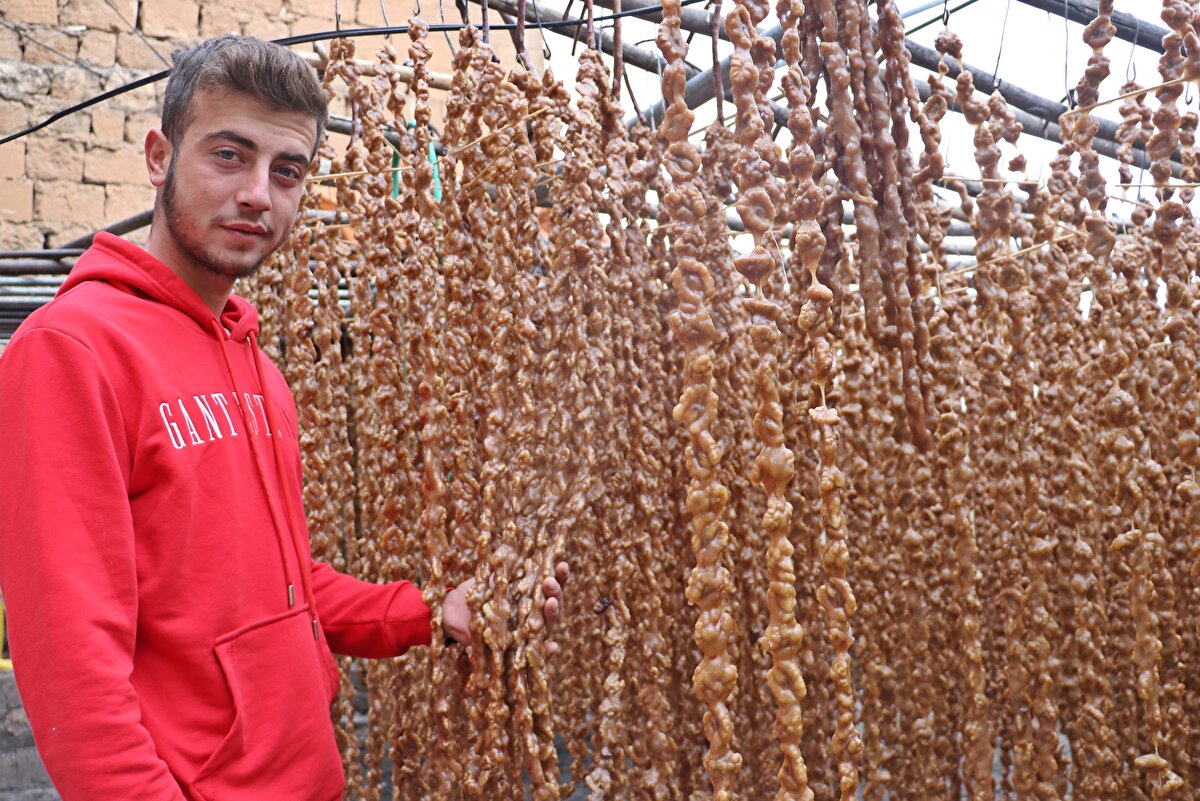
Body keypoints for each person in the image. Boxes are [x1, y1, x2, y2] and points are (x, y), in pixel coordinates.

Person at [0, 34, 567, 801]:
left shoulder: (261, 373)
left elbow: (283, 590)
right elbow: (72, 664)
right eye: (229, 155)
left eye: (286, 170)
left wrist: (434, 611)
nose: (259, 194)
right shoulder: (71, 350)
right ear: (159, 156)